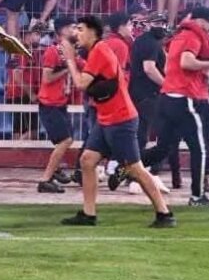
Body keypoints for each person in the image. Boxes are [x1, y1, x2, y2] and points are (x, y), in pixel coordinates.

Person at [59, 15, 176, 228]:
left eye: (81, 29)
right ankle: (88, 214)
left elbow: (81, 83)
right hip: (106, 118)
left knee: (135, 168)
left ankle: (164, 214)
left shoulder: (100, 50)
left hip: (121, 119)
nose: (77, 33)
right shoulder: (96, 50)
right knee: (87, 160)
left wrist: (69, 59)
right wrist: (72, 54)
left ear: (93, 32)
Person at [141, 7, 209, 207]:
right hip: (184, 98)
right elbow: (187, 62)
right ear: (200, 21)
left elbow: (172, 67)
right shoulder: (193, 35)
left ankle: (126, 167)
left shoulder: (178, 36)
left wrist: (203, 72)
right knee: (200, 149)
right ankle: (198, 196)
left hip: (168, 97)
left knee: (163, 148)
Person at [129, 11, 182, 191]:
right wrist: (168, 85)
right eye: (156, 23)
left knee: (143, 135)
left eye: (162, 23)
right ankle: (138, 173)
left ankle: (139, 172)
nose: (161, 26)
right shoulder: (151, 43)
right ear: (148, 25)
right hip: (149, 95)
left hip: (140, 94)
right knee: (161, 137)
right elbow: (149, 69)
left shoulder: (142, 41)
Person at [36, 16, 76, 193]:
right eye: (72, 27)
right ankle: (45, 180)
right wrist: (68, 68)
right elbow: (47, 78)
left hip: (60, 102)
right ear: (63, 31)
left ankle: (56, 170)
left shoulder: (68, 50)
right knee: (65, 140)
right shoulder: (53, 51)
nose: (75, 31)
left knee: (67, 139)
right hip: (49, 103)